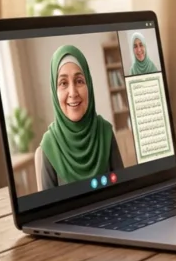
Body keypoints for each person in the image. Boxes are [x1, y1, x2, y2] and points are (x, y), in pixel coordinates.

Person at [39, 45, 124, 190]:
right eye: (63, 83)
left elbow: (124, 190)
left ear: (89, 85)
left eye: (79, 81)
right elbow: (48, 211)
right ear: (54, 91)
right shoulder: (49, 144)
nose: (73, 92)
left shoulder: (105, 132)